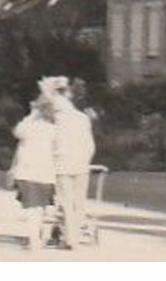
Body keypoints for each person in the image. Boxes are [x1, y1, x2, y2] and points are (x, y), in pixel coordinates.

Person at [48, 77, 96, 249]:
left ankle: (70, 238)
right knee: (79, 201)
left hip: (62, 164)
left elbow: (51, 144)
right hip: (81, 164)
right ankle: (76, 234)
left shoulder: (54, 121)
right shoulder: (82, 118)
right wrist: (85, 160)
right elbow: (90, 145)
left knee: (65, 202)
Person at [8, 95, 57, 250]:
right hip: (46, 173)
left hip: (27, 171)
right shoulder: (53, 129)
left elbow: (17, 132)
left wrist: (31, 114)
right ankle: (36, 237)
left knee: (31, 207)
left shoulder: (27, 126)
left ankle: (33, 238)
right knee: (40, 207)